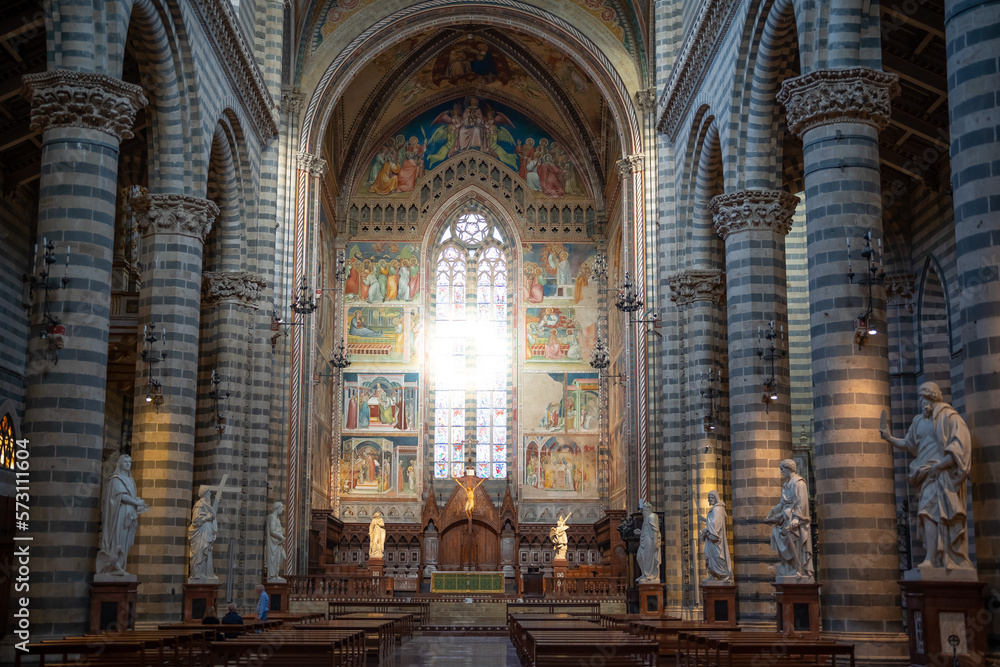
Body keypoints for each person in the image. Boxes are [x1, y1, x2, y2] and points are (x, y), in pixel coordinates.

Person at [880, 382, 973, 571]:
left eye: (925, 398)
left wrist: (943, 464)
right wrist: (889, 438)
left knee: (933, 513)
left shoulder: (949, 416)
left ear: (933, 397)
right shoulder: (918, 421)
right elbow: (909, 443)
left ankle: (939, 557)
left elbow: (960, 443)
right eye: (921, 399)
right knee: (930, 514)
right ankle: (935, 556)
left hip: (941, 474)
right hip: (924, 474)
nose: (922, 403)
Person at [96, 454, 149, 576]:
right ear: (119, 463)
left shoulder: (130, 480)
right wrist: (136, 502)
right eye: (125, 461)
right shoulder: (116, 479)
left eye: (130, 462)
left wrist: (139, 503)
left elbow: (130, 496)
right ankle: (114, 565)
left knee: (126, 541)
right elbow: (121, 496)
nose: (128, 464)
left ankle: (120, 564)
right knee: (117, 539)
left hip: (129, 514)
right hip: (119, 514)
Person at [764, 459, 814, 580]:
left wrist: (796, 519)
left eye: (782, 469)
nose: (781, 472)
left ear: (789, 468)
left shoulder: (799, 483)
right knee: (777, 534)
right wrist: (773, 511)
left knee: (795, 545)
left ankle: (798, 569)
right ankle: (787, 566)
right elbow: (783, 503)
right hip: (785, 518)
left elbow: (802, 503)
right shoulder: (786, 484)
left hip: (796, 521)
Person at [699, 490, 733, 583]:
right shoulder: (715, 509)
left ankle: (724, 575)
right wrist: (705, 520)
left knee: (718, 557)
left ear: (716, 498)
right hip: (711, 539)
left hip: (716, 540)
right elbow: (712, 522)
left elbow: (715, 526)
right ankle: (712, 574)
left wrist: (706, 531)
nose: (711, 499)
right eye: (709, 498)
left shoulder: (717, 509)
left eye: (712, 497)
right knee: (710, 557)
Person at [188, 486, 220, 580]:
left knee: (207, 552)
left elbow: (213, 514)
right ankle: (197, 573)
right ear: (205, 493)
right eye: (209, 493)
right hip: (200, 534)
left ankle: (207, 573)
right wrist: (207, 518)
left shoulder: (207, 505)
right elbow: (195, 521)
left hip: (206, 533)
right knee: (200, 552)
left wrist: (217, 502)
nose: (210, 494)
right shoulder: (199, 504)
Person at [635, 501, 661, 583]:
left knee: (648, 558)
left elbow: (655, 530)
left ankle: (649, 575)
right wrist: (639, 532)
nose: (643, 511)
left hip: (650, 540)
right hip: (644, 539)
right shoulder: (646, 518)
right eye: (643, 510)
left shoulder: (652, 516)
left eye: (645, 509)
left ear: (649, 509)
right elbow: (646, 529)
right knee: (639, 557)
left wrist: (655, 542)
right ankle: (644, 574)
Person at [265, 502, 286, 583]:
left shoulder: (277, 518)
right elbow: (272, 531)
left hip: (278, 543)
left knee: (281, 558)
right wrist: (280, 536)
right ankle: (273, 576)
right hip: (274, 543)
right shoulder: (272, 517)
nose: (282, 510)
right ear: (277, 508)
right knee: (274, 559)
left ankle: (276, 575)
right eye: (281, 508)